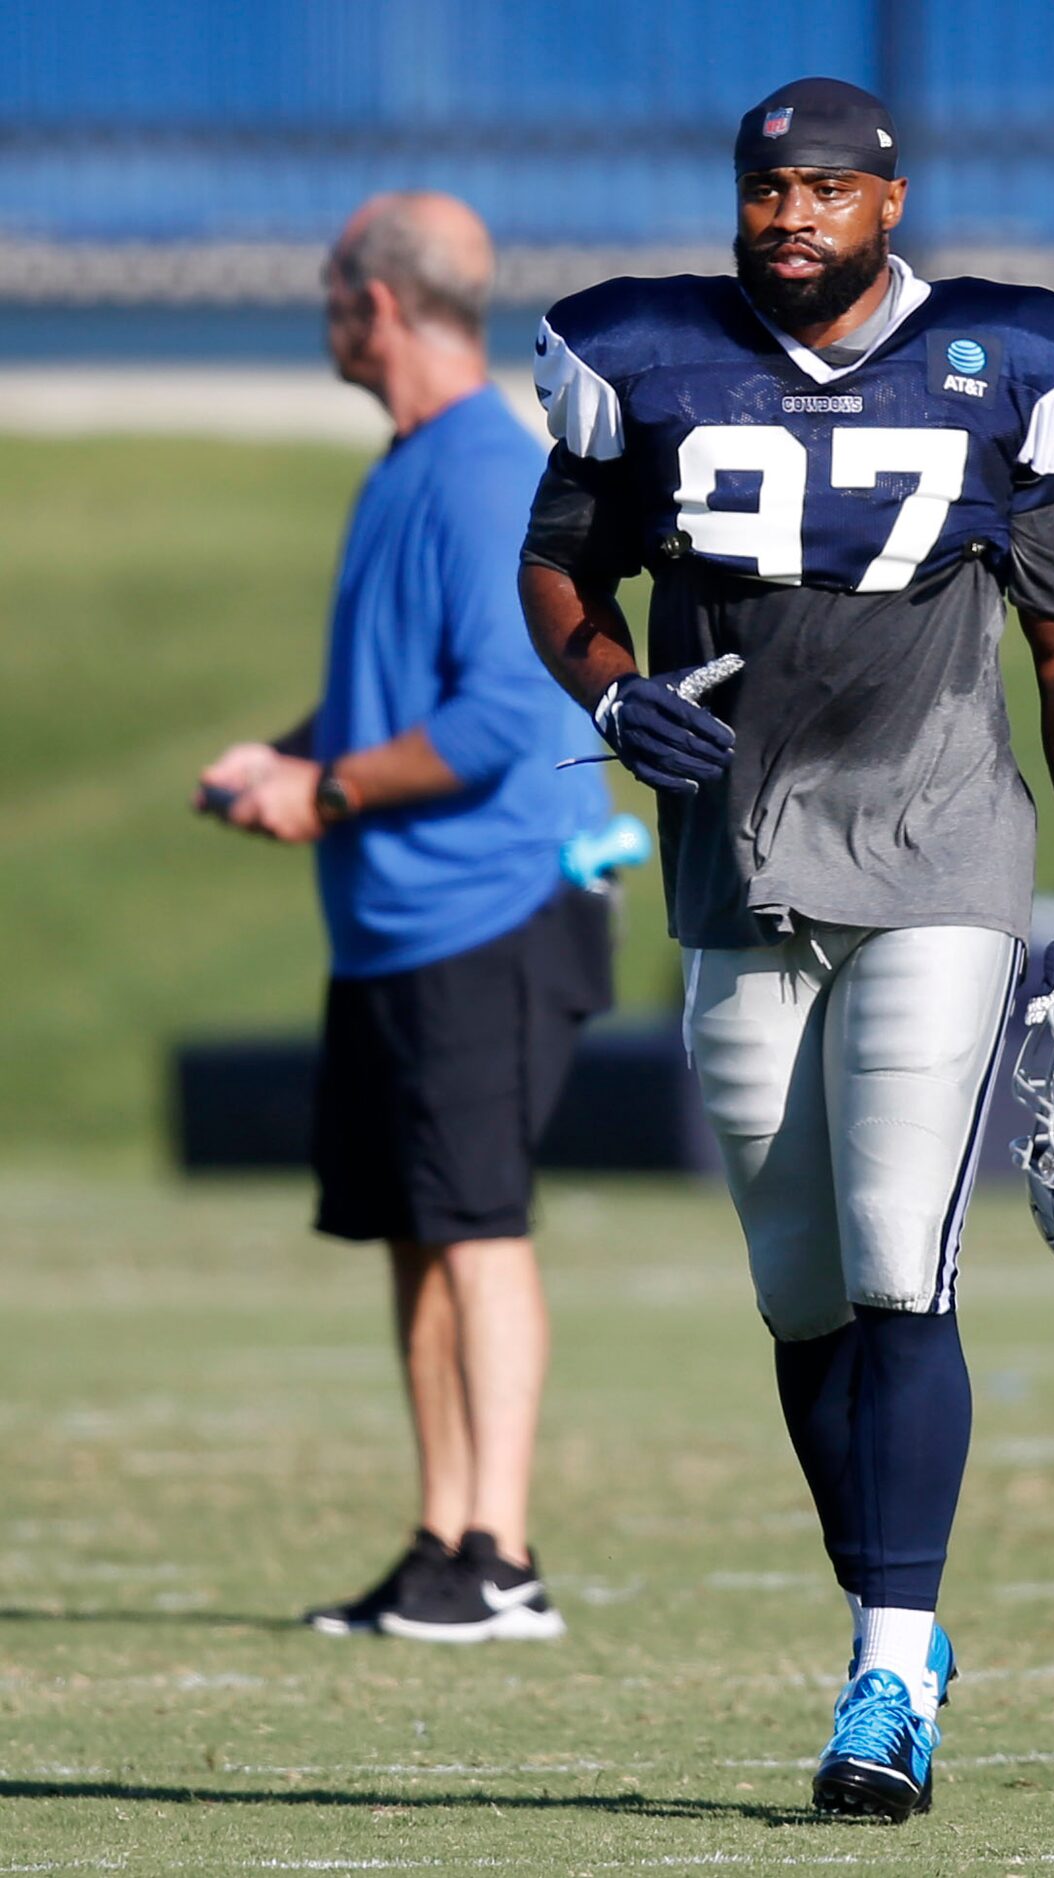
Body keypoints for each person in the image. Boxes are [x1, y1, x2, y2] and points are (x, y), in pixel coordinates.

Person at [518, 77, 1054, 1821]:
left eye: (822, 190)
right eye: (762, 189)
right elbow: (561, 564)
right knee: (798, 1285)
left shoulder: (1008, 367)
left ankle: (889, 1660)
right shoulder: (641, 355)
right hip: (738, 859)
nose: (788, 215)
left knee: (897, 1249)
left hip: (940, 840)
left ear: (888, 202)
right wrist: (615, 690)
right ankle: (895, 1618)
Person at [199, 190, 612, 1644]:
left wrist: (323, 795)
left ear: (376, 304)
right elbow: (399, 703)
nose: (322, 305)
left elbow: (500, 722)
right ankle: (442, 1538)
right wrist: (293, 759)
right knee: (415, 1230)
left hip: (488, 911)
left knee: (478, 1225)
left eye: (329, 284)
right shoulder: (409, 467)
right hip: (398, 924)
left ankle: (501, 1556)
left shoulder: (489, 471)